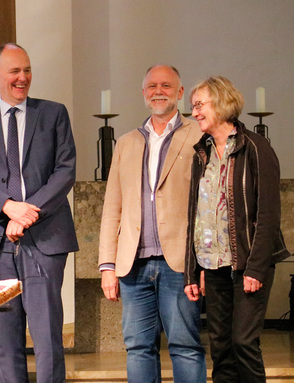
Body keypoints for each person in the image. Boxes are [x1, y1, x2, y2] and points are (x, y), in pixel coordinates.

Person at [0, 43, 78, 383]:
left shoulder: (54, 114)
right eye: (14, 71)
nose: (22, 78)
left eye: (26, 70)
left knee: (48, 333)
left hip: (45, 237)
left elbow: (65, 170)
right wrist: (8, 207)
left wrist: (27, 214)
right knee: (6, 337)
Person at [98, 65, 205, 382]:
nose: (159, 91)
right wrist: (107, 264)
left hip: (179, 263)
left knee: (185, 345)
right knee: (138, 347)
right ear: (144, 93)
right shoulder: (126, 143)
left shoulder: (199, 137)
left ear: (180, 93)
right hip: (133, 265)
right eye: (152, 86)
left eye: (167, 85)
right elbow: (112, 207)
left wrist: (203, 264)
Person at [184, 76, 290, 382]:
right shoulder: (200, 153)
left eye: (200, 105)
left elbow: (269, 212)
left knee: (244, 342)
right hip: (212, 265)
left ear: (220, 103)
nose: (195, 113)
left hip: (247, 264)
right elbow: (195, 215)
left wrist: (255, 268)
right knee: (220, 348)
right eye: (193, 107)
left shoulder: (255, 147)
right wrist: (192, 272)